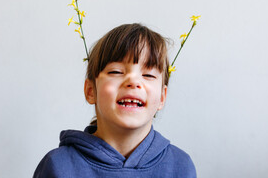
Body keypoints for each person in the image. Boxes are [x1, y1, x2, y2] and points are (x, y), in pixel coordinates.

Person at [33, 23, 196, 177]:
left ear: (162, 97)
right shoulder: (58, 165)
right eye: (116, 72)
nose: (133, 81)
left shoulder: (180, 166)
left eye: (148, 75)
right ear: (90, 91)